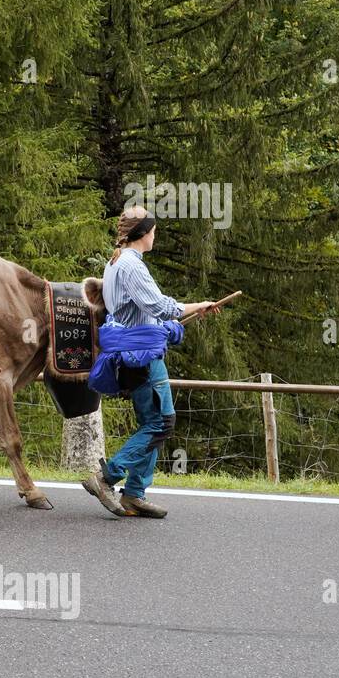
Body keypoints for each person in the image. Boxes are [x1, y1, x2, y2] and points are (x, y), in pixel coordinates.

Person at [82, 206, 220, 518]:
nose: (155, 235)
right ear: (143, 233)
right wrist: (196, 305)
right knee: (162, 422)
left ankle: (133, 494)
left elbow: (145, 309)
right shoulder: (131, 265)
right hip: (142, 354)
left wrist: (191, 310)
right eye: (154, 230)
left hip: (130, 352)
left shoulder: (116, 261)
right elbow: (156, 305)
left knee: (152, 423)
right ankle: (107, 477)